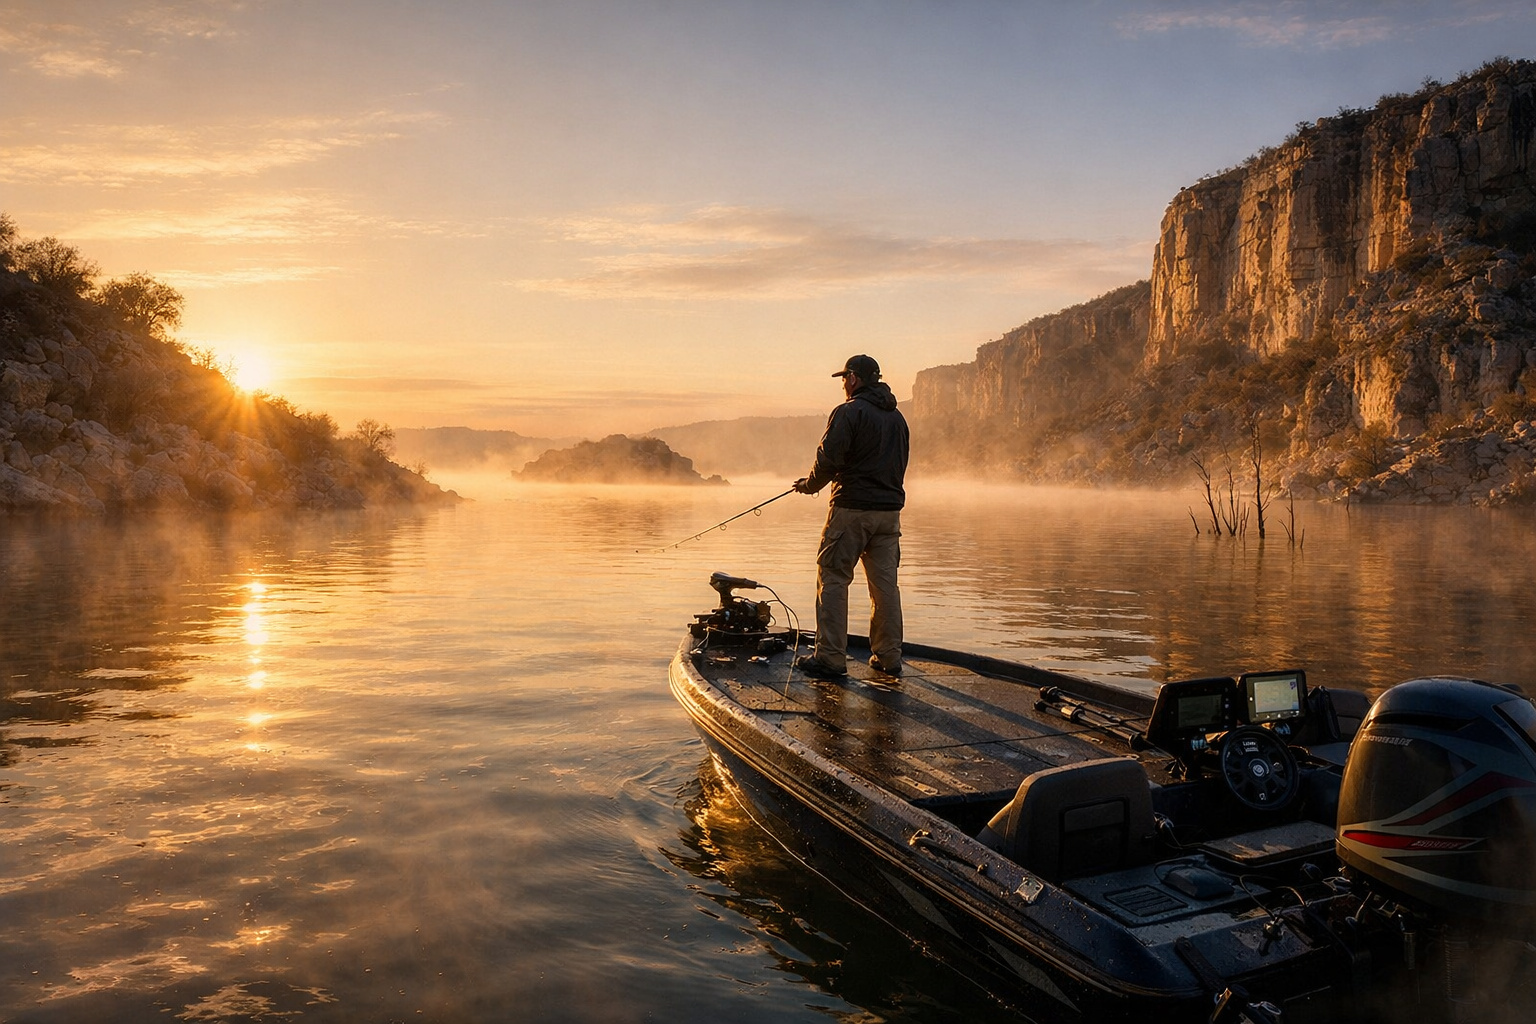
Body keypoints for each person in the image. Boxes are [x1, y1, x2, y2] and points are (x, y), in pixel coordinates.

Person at [792, 354, 909, 678]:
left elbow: (828, 458)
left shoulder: (848, 412)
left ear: (854, 379)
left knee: (832, 576)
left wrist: (808, 485)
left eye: (845, 378)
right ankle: (888, 657)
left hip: (851, 510)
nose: (843, 383)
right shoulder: (898, 418)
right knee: (885, 587)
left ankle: (830, 658)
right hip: (889, 516)